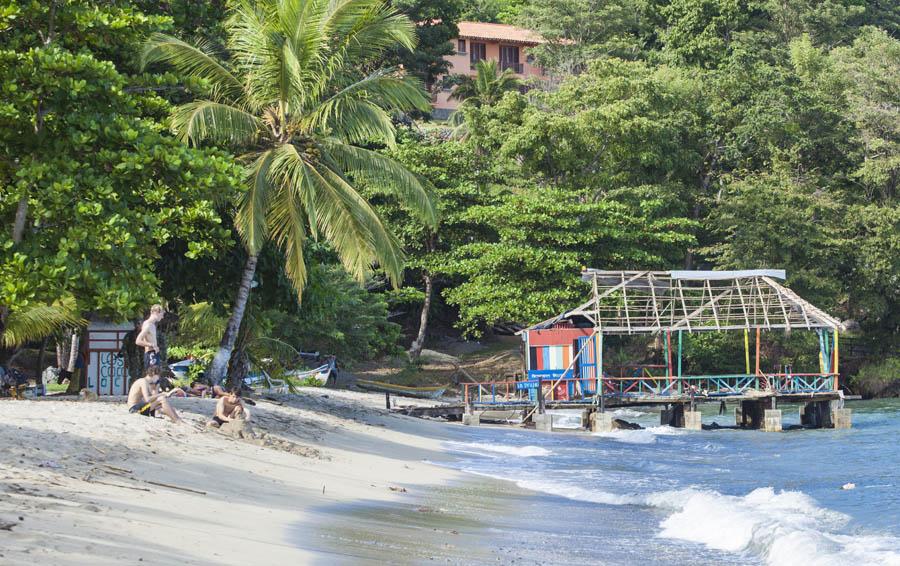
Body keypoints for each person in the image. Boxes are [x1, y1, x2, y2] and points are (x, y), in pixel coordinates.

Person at [135, 304, 165, 369]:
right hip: (151, 354)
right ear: (156, 312)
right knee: (152, 378)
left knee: (156, 377)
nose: (162, 317)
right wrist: (152, 345)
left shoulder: (152, 325)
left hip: (154, 354)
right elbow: (138, 341)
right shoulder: (148, 325)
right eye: (161, 314)